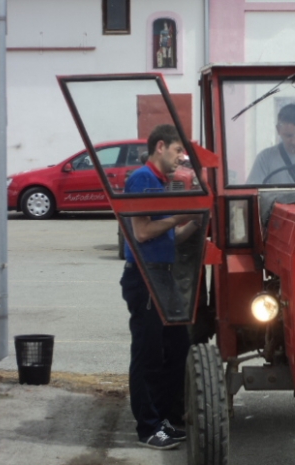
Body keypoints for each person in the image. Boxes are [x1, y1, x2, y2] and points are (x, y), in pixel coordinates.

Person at [120, 124, 198, 450]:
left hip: (161, 274)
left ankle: (163, 416)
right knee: (148, 354)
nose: (181, 158)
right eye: (178, 151)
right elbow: (141, 232)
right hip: (145, 275)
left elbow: (169, 236)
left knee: (178, 347)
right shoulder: (142, 179)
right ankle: (148, 427)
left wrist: (198, 219)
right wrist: (180, 216)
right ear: (160, 146)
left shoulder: (160, 183)